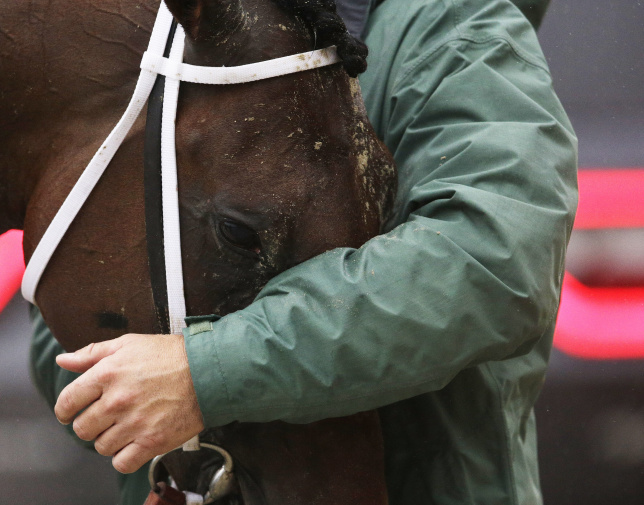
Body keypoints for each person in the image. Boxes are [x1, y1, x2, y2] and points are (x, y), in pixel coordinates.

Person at [30, 0, 578, 503]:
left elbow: (494, 262)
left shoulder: (450, 27)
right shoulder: (162, 35)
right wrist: (145, 411)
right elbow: (59, 306)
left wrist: (205, 374)